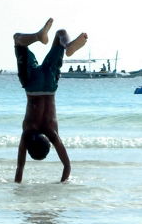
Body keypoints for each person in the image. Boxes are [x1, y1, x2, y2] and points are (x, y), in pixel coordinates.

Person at [13, 17, 88, 184]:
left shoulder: (52, 133)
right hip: (31, 85)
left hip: (49, 84)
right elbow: (19, 169)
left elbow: (67, 166)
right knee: (18, 39)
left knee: (60, 33)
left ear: (48, 142)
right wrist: (17, 185)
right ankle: (43, 38)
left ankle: (67, 45)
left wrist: (63, 183)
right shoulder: (27, 134)